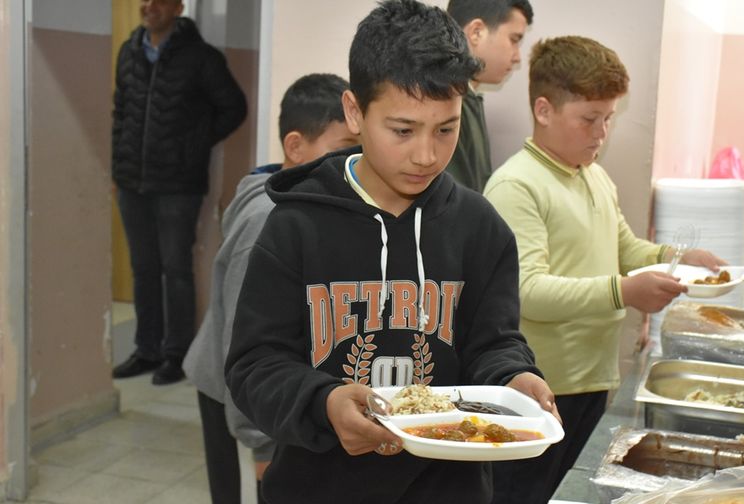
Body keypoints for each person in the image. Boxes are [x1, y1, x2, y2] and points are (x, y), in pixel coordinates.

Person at [225, 1, 558, 503]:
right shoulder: (296, 225)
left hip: (449, 489)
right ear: (355, 111)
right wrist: (324, 401)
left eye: (446, 129)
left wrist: (515, 376)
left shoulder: (480, 228)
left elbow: (493, 343)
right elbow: (255, 365)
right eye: (402, 130)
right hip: (319, 487)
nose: (426, 155)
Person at [483, 36, 726, 504]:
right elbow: (528, 292)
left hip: (592, 378)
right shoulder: (517, 186)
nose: (600, 133)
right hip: (542, 385)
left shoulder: (593, 174)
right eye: (589, 119)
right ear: (544, 110)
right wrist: (623, 291)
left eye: (608, 119)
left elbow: (625, 249)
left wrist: (675, 258)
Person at [183, 74, 358, 504]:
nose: (353, 163)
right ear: (295, 147)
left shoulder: (312, 202)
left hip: (273, 395)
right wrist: (260, 444)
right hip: (237, 399)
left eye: (359, 150)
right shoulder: (266, 221)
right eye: (341, 150)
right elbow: (242, 345)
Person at [111, 0, 247, 385]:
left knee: (176, 269)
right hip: (131, 181)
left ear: (178, 7)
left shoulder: (201, 57)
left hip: (178, 184)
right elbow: (120, 109)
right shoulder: (129, 51)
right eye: (144, 0)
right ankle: (147, 349)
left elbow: (234, 107)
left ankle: (176, 353)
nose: (148, 6)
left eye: (159, 0)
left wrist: (194, 143)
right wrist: (118, 157)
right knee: (143, 269)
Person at [445, 0, 533, 192]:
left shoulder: (470, 97)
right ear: (476, 32)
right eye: (514, 39)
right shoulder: (444, 100)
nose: (517, 57)